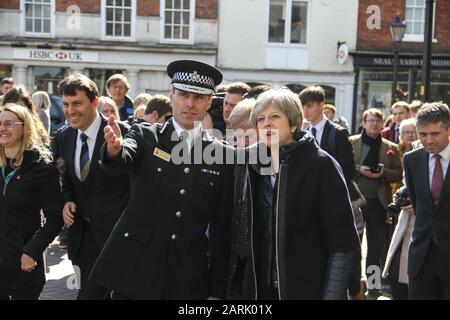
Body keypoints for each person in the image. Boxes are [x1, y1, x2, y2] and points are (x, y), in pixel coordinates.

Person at [90, 60, 234, 300]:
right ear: (171, 96)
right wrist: (114, 151)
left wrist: (216, 290)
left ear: (209, 102)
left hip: (186, 278)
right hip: (135, 271)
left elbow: (222, 229)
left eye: (198, 97)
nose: (190, 103)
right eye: (184, 94)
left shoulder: (222, 153)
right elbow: (123, 159)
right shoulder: (146, 135)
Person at [227, 89, 360, 300]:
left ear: (293, 123)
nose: (266, 124)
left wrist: (332, 296)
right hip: (257, 292)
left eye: (274, 117)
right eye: (260, 119)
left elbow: (343, 243)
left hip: (307, 289)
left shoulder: (321, 165)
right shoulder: (247, 162)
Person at [56, 73, 130, 300]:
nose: (70, 110)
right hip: (80, 238)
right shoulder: (64, 136)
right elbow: (67, 177)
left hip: (115, 237)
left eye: (77, 103)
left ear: (95, 103)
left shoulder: (123, 132)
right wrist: (67, 199)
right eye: (66, 104)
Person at [299, 85, 365, 299]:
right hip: (312, 204)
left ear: (321, 105)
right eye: (303, 107)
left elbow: (348, 170)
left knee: (349, 259)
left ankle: (357, 292)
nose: (306, 111)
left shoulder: (337, 132)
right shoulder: (303, 133)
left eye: (309, 106)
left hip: (341, 203)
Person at [0, 103, 63, 300]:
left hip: (22, 264)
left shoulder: (42, 167)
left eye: (8, 123)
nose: (2, 128)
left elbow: (55, 219)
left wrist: (31, 251)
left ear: (24, 127)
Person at [350, 108, 402, 297]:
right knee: (354, 246)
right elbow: (342, 166)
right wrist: (359, 169)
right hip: (355, 202)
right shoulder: (352, 142)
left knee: (375, 248)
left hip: (378, 204)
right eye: (370, 121)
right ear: (363, 123)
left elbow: (399, 173)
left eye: (378, 122)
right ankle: (354, 285)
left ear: (382, 124)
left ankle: (373, 285)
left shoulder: (391, 147)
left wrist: (384, 173)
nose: (374, 124)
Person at [404, 102, 450, 299]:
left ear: (449, 130)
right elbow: (418, 203)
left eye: (435, 134)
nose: (428, 140)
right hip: (422, 258)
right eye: (423, 134)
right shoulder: (412, 160)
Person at [382, 118, 418, 300]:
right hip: (400, 212)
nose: (411, 135)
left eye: (415, 131)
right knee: (396, 268)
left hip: (422, 223)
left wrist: (419, 203)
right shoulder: (398, 151)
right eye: (406, 132)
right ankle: (378, 286)